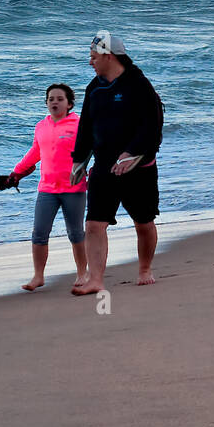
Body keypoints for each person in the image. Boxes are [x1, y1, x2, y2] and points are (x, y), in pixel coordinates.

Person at [70, 31, 164, 294]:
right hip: (103, 166)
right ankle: (96, 279)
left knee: (143, 222)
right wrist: (79, 161)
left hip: (138, 168)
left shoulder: (139, 85)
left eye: (93, 57)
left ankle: (145, 268)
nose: (90, 62)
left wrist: (134, 153)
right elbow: (86, 127)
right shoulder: (95, 87)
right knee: (94, 224)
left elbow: (153, 125)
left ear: (108, 56)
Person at [7, 83, 88, 292]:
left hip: (74, 188)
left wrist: (96, 169)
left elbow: (95, 148)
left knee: (76, 233)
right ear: (46, 103)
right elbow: (35, 152)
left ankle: (82, 273)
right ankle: (38, 276)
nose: (54, 102)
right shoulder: (41, 126)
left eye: (60, 99)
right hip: (47, 189)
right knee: (39, 233)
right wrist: (16, 172)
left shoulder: (79, 125)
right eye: (51, 98)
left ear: (69, 104)